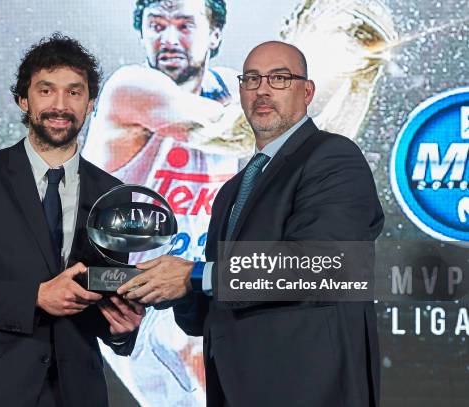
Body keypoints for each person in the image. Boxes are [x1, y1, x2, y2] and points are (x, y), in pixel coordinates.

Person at [119, 41, 385, 406]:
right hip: (234, 388)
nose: (262, 89)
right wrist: (167, 290)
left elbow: (326, 265)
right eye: (252, 79)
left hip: (308, 390)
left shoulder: (333, 156)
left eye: (279, 78)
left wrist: (194, 275)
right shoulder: (233, 188)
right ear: (240, 92)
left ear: (306, 92)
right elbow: (204, 317)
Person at [0, 33, 144, 407]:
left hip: (77, 392)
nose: (60, 105)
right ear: (23, 100)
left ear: (91, 103)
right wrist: (36, 297)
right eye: (46, 90)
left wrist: (120, 331)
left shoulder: (115, 193)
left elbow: (101, 294)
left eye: (75, 92)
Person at [82, 1, 251, 404]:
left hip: (196, 285)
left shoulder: (229, 89)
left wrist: (357, 75)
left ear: (215, 34)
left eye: (184, 25)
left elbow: (290, 145)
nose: (169, 38)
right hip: (126, 294)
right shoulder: (131, 87)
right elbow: (234, 134)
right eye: (156, 25)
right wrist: (327, 66)